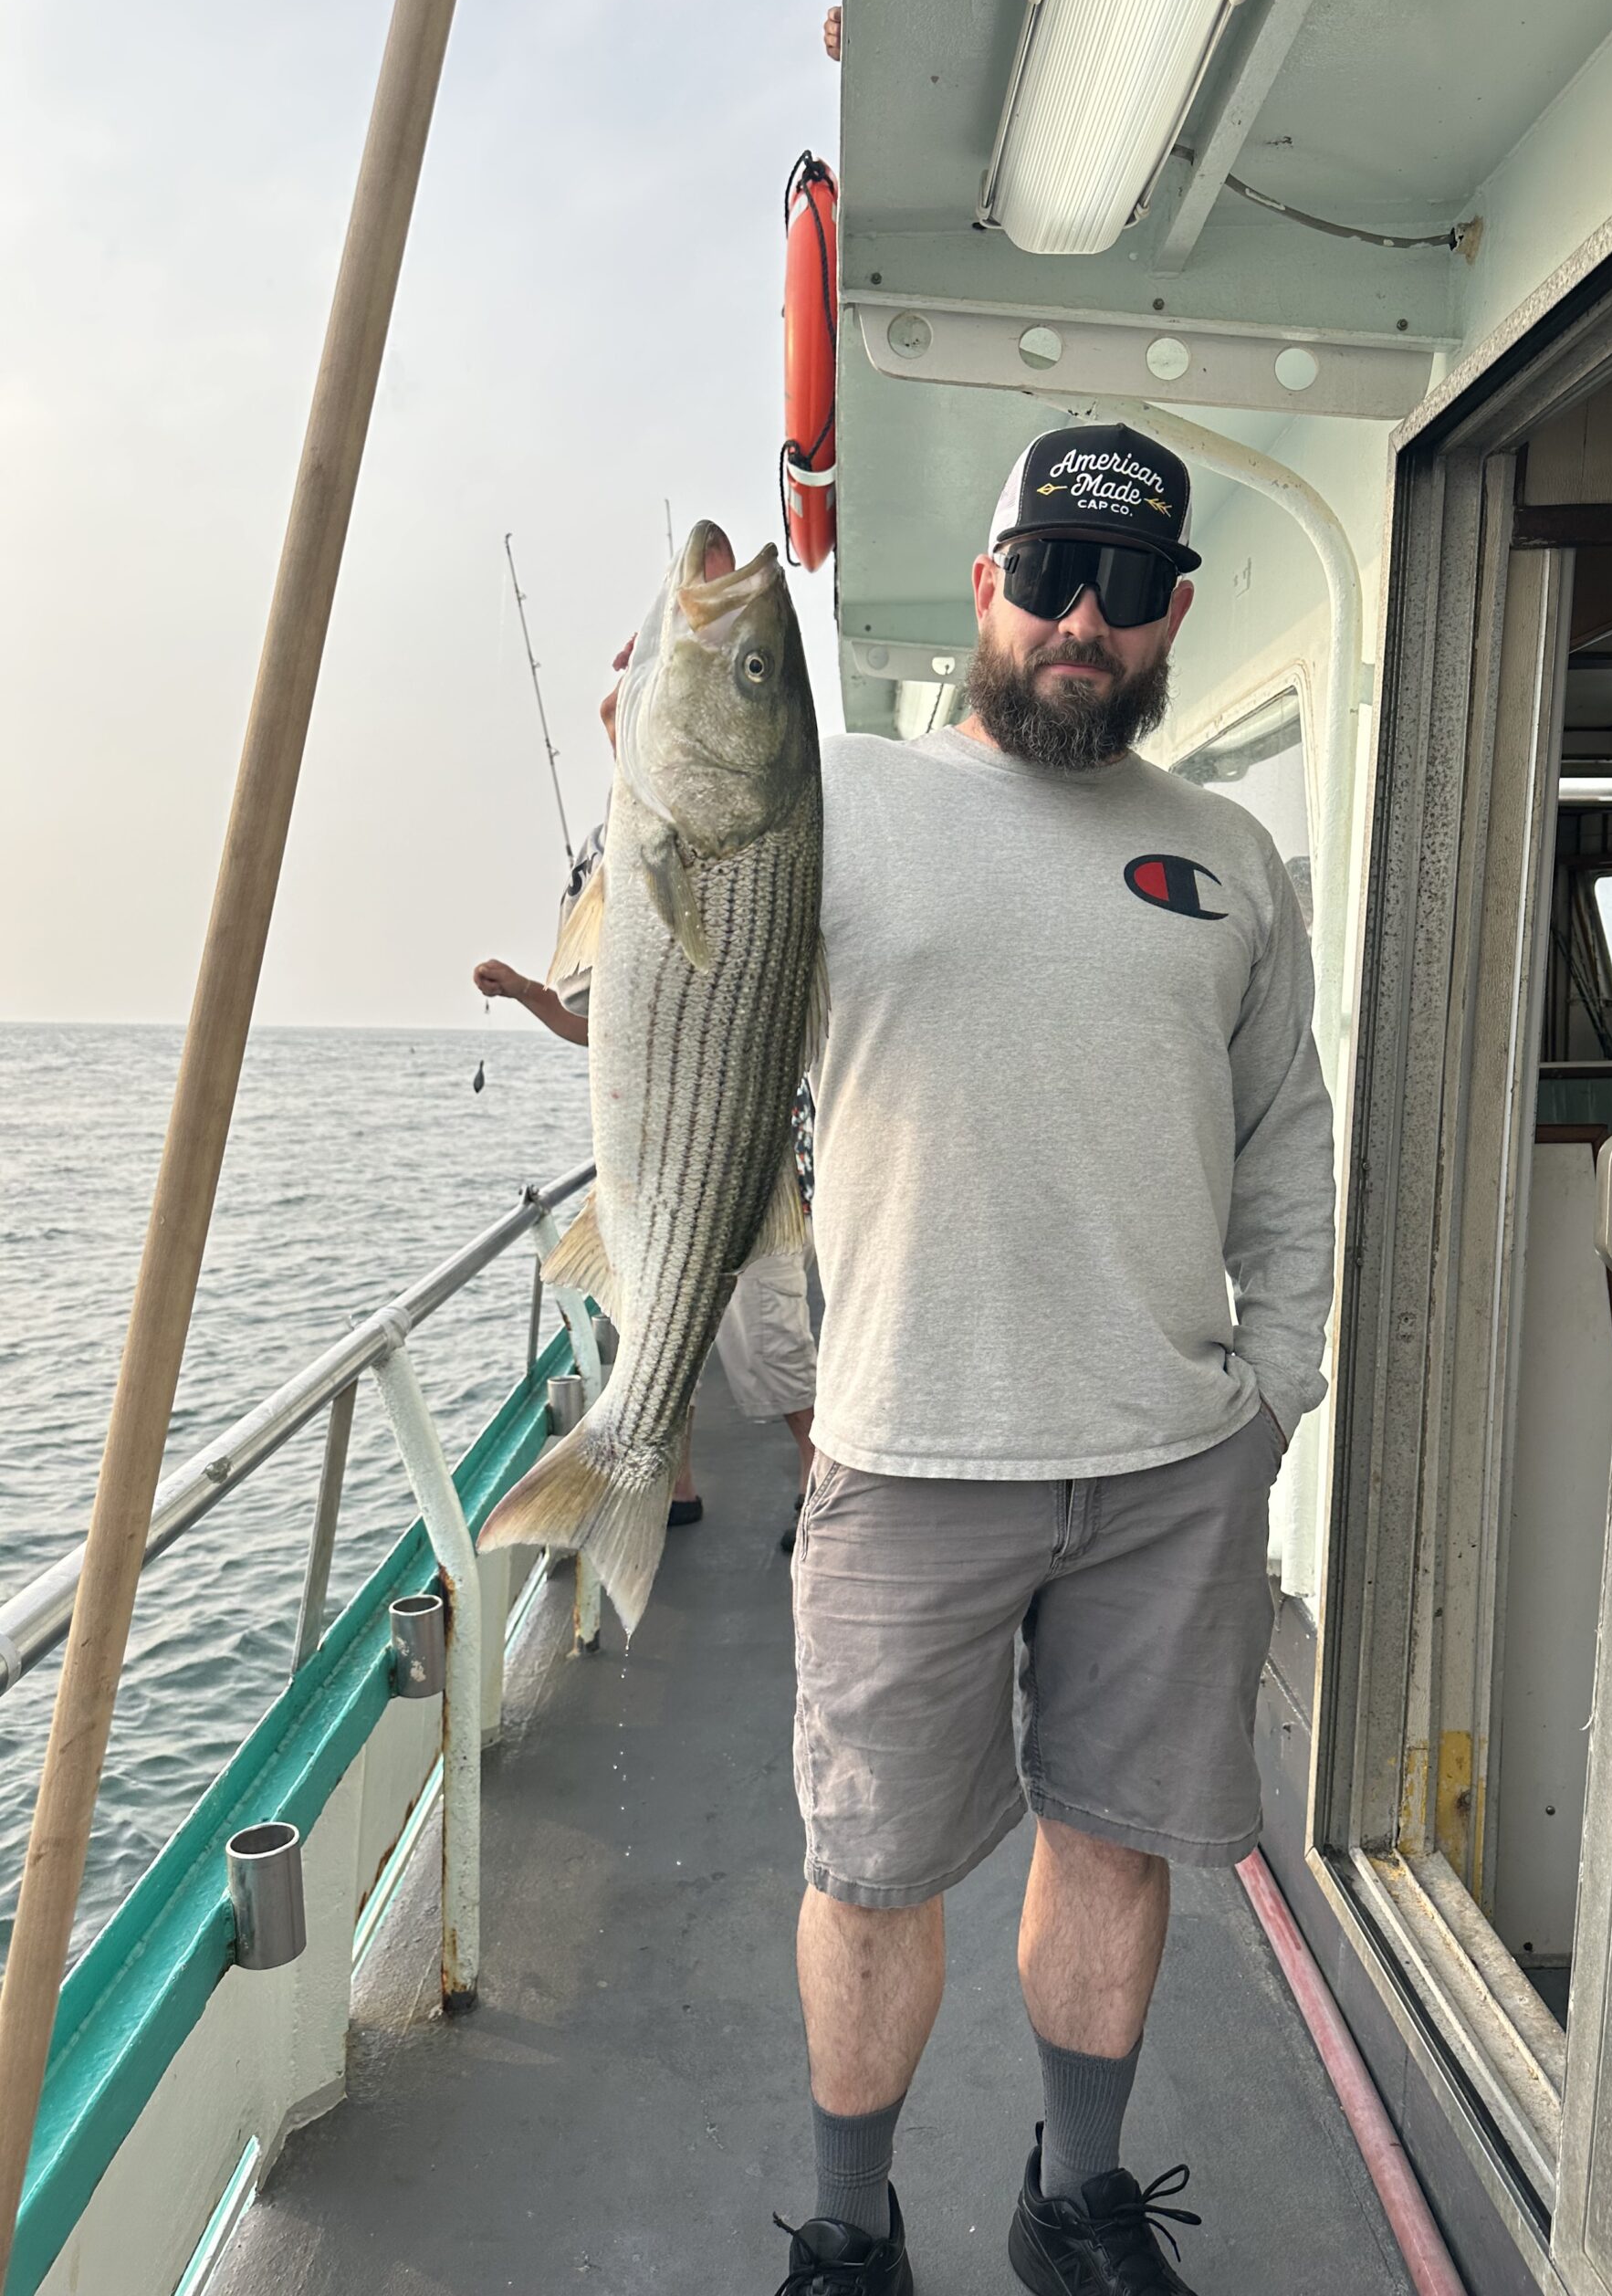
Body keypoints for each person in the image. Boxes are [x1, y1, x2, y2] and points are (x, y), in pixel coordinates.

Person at [600, 423, 1335, 2292]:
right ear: (995, 577)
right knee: (871, 1871)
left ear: (1175, 610)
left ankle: (1071, 2198)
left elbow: (1286, 1142)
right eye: (1049, 573)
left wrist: (1276, 1395)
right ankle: (852, 2233)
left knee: (1119, 1844)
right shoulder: (833, 803)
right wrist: (655, 751)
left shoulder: (1233, 852)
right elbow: (700, 1015)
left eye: (1128, 584)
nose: (1083, 617)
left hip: (1173, 1458)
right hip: (907, 1448)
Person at [474, 646, 818, 1531]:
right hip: (655, 1147)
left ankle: (830, 1495)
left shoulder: (741, 831)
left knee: (773, 1342)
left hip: (745, 1144)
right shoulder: (611, 854)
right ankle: (669, 1489)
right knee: (657, 1324)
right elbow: (601, 1020)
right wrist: (523, 991)